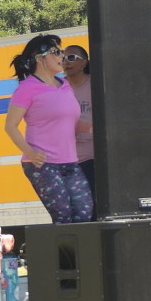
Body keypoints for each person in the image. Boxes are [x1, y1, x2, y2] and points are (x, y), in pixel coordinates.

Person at [4, 34, 93, 224]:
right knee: (63, 215)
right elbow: (10, 126)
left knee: (84, 213)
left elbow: (70, 122)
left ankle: (80, 254)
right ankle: (64, 254)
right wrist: (30, 152)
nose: (62, 56)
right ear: (40, 57)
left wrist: (94, 129)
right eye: (56, 52)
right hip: (43, 164)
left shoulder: (65, 85)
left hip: (70, 162)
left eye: (62, 51)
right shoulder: (27, 88)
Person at [62, 45, 95, 193]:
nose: (66, 62)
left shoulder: (96, 84)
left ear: (84, 62)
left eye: (71, 58)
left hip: (93, 158)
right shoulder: (57, 88)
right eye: (63, 58)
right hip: (66, 160)